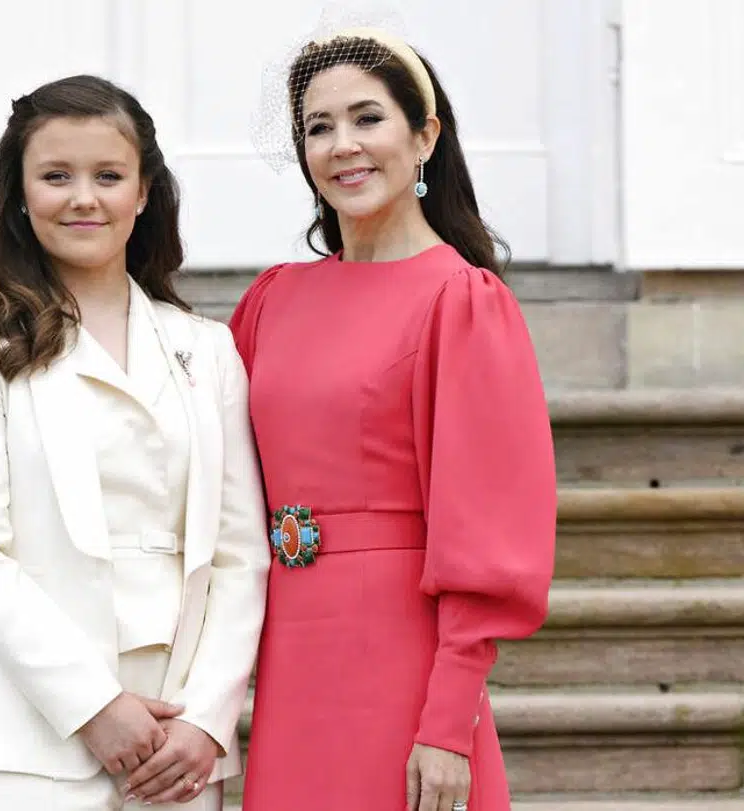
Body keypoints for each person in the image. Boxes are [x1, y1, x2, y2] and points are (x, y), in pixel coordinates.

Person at [0, 74, 270, 811]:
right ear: (18, 195)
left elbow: (241, 553)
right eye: (55, 176)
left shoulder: (207, 349)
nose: (84, 197)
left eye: (109, 175)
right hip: (21, 735)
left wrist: (207, 720)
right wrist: (93, 706)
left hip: (176, 744)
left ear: (143, 192)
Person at [229, 27, 558, 811]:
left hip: (398, 659)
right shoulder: (273, 299)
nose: (343, 145)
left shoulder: (463, 302)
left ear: (425, 136)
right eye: (318, 126)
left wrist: (448, 722)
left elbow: (488, 529)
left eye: (367, 119)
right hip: (288, 652)